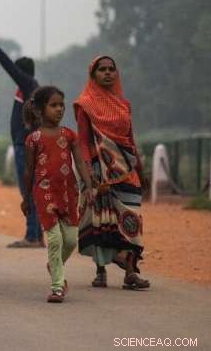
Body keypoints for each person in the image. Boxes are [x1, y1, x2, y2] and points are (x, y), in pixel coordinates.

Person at [74, 55, 150, 290]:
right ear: (93, 74)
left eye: (111, 69)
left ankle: (130, 272)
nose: (107, 73)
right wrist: (89, 174)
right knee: (101, 219)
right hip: (100, 171)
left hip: (127, 170)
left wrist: (140, 167)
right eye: (102, 69)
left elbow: (130, 138)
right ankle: (100, 271)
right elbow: (84, 142)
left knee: (131, 217)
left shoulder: (124, 104)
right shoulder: (85, 104)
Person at [21, 86, 94, 303]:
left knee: (70, 240)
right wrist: (26, 198)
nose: (59, 109)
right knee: (54, 240)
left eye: (61, 105)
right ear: (40, 110)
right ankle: (57, 286)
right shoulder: (33, 139)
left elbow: (79, 161)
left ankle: (54, 265)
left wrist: (89, 186)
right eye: (53, 105)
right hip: (44, 192)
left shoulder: (69, 135)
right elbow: (29, 169)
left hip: (68, 192)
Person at [0, 33, 42, 248]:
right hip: (23, 145)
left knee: (28, 191)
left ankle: (32, 235)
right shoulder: (26, 90)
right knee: (29, 191)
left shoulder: (28, 84)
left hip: (25, 147)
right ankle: (35, 234)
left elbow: (9, 67)